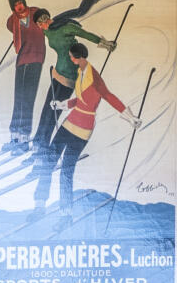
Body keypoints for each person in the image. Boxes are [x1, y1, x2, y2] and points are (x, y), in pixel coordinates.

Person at [34, 40, 128, 209]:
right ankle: (39, 203)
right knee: (49, 160)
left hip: (83, 130)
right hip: (70, 123)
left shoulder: (95, 77)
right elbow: (79, 100)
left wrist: (130, 116)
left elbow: (109, 96)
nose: (70, 59)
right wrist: (61, 104)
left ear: (78, 57)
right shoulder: (80, 71)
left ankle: (66, 212)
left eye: (71, 57)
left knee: (66, 171)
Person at [28, 0, 111, 152]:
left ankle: (44, 146)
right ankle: (39, 141)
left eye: (44, 20)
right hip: (57, 73)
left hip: (70, 76)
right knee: (47, 109)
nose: (43, 24)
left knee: (55, 110)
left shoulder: (65, 27)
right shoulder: (47, 31)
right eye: (40, 23)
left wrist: (105, 43)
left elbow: (85, 34)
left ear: (48, 17)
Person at [2, 0, 52, 150]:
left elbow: (47, 23)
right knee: (19, 98)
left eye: (20, 3)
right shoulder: (12, 20)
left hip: (36, 58)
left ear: (24, 2)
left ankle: (24, 136)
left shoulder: (35, 12)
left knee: (28, 98)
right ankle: (14, 135)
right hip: (22, 60)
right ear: (13, 7)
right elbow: (11, 27)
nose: (19, 6)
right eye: (15, 5)